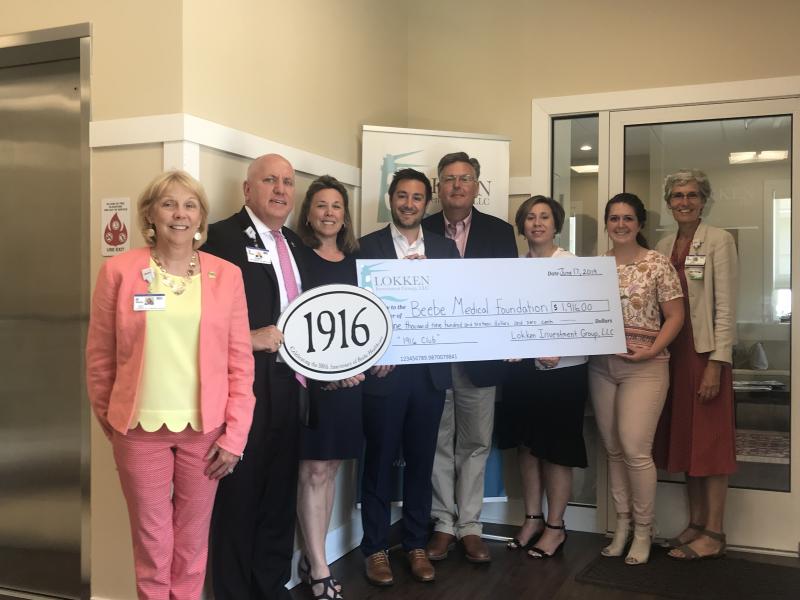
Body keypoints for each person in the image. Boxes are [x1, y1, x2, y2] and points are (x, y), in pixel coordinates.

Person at [85, 170, 255, 600]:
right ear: (150, 214)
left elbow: (240, 362)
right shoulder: (118, 272)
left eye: (190, 205)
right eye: (168, 204)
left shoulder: (227, 275)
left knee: (193, 542)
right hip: (138, 430)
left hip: (207, 433)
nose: (180, 214)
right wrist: (113, 421)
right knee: (152, 542)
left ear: (200, 216)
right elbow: (100, 358)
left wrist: (235, 436)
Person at [203, 154, 309, 600]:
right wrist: (249, 338)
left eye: (287, 182)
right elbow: (197, 319)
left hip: (292, 386)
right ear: (248, 189)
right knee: (239, 498)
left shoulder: (295, 244)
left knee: (279, 496)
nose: (281, 190)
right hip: (244, 386)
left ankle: (271, 587)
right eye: (270, 180)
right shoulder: (219, 239)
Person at [358, 168, 460, 586]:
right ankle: (375, 548)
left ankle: (416, 543)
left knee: (422, 462)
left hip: (430, 373)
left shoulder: (445, 249)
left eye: (417, 197)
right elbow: (357, 310)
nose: (409, 204)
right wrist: (372, 353)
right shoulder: (366, 247)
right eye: (402, 196)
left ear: (427, 202)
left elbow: (458, 303)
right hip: (385, 373)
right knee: (379, 461)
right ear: (390, 199)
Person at [422, 152, 518, 564]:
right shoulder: (421, 229)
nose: (457, 185)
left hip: (482, 357)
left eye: (464, 178)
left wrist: (511, 340)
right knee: (438, 443)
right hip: (435, 357)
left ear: (477, 186)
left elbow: (509, 291)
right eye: (449, 179)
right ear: (438, 187)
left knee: (476, 443)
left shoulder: (500, 232)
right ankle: (443, 523)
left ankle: (471, 527)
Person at [589, 193, 684, 565]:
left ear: (640, 223)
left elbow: (675, 316)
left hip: (646, 367)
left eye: (628, 218)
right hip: (602, 367)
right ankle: (622, 526)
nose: (621, 225)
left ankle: (645, 530)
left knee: (634, 449)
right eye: (614, 218)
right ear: (607, 223)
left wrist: (651, 349)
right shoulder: (597, 267)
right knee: (613, 449)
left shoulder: (657, 263)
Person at [497, 196, 588, 559]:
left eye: (544, 217)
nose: (537, 223)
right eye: (530, 217)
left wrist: (562, 348)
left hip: (563, 372)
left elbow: (586, 317)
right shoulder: (513, 269)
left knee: (557, 450)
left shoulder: (573, 266)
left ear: (556, 224)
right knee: (527, 446)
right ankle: (532, 519)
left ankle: (555, 526)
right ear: (522, 226)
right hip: (522, 371)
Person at [654, 170, 737, 560]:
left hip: (705, 354)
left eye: (691, 195)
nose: (684, 202)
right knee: (688, 439)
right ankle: (697, 522)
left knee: (712, 442)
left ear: (704, 201)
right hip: (674, 354)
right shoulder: (663, 245)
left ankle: (715, 533)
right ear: (668, 203)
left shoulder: (719, 240)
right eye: (677, 196)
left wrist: (717, 363)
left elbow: (726, 308)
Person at [294, 175, 364, 600]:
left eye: (336, 205)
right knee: (313, 470)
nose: (329, 213)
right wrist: (324, 372)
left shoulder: (358, 261)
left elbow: (367, 322)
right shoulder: (296, 258)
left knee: (331, 467)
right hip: (313, 382)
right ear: (308, 213)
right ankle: (320, 567)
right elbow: (291, 321)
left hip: (352, 383)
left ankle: (311, 556)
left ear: (345, 215)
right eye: (321, 205)